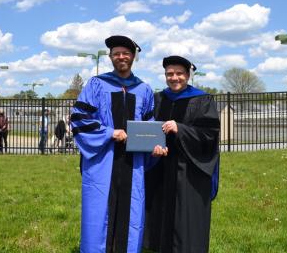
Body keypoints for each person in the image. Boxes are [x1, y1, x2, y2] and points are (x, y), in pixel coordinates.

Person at [70, 35, 158, 253]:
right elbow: (79, 119)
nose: (121, 57)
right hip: (103, 161)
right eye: (116, 53)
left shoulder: (144, 89)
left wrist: (156, 146)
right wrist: (109, 133)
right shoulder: (97, 84)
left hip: (133, 164)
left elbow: (150, 125)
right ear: (110, 57)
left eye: (126, 53)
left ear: (133, 57)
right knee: (99, 214)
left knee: (132, 212)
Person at [144, 55, 220, 253]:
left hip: (189, 172)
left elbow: (209, 135)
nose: (174, 77)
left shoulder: (202, 100)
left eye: (179, 73)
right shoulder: (158, 99)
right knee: (161, 220)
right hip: (161, 169)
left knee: (187, 222)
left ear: (188, 75)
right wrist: (153, 148)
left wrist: (181, 129)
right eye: (170, 74)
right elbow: (148, 130)